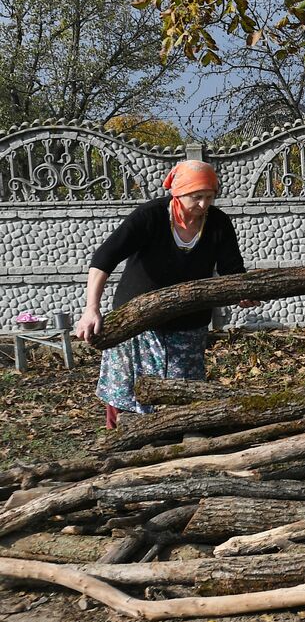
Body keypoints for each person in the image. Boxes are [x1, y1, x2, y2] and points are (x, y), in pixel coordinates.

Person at [73, 160, 253, 428]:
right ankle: (124, 434)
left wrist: (243, 291)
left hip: (188, 323)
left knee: (184, 388)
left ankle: (177, 437)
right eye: (197, 197)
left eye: (209, 197)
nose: (204, 205)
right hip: (136, 320)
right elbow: (104, 258)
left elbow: (232, 268)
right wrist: (91, 308)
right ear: (177, 194)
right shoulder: (151, 216)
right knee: (129, 382)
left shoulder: (218, 223)